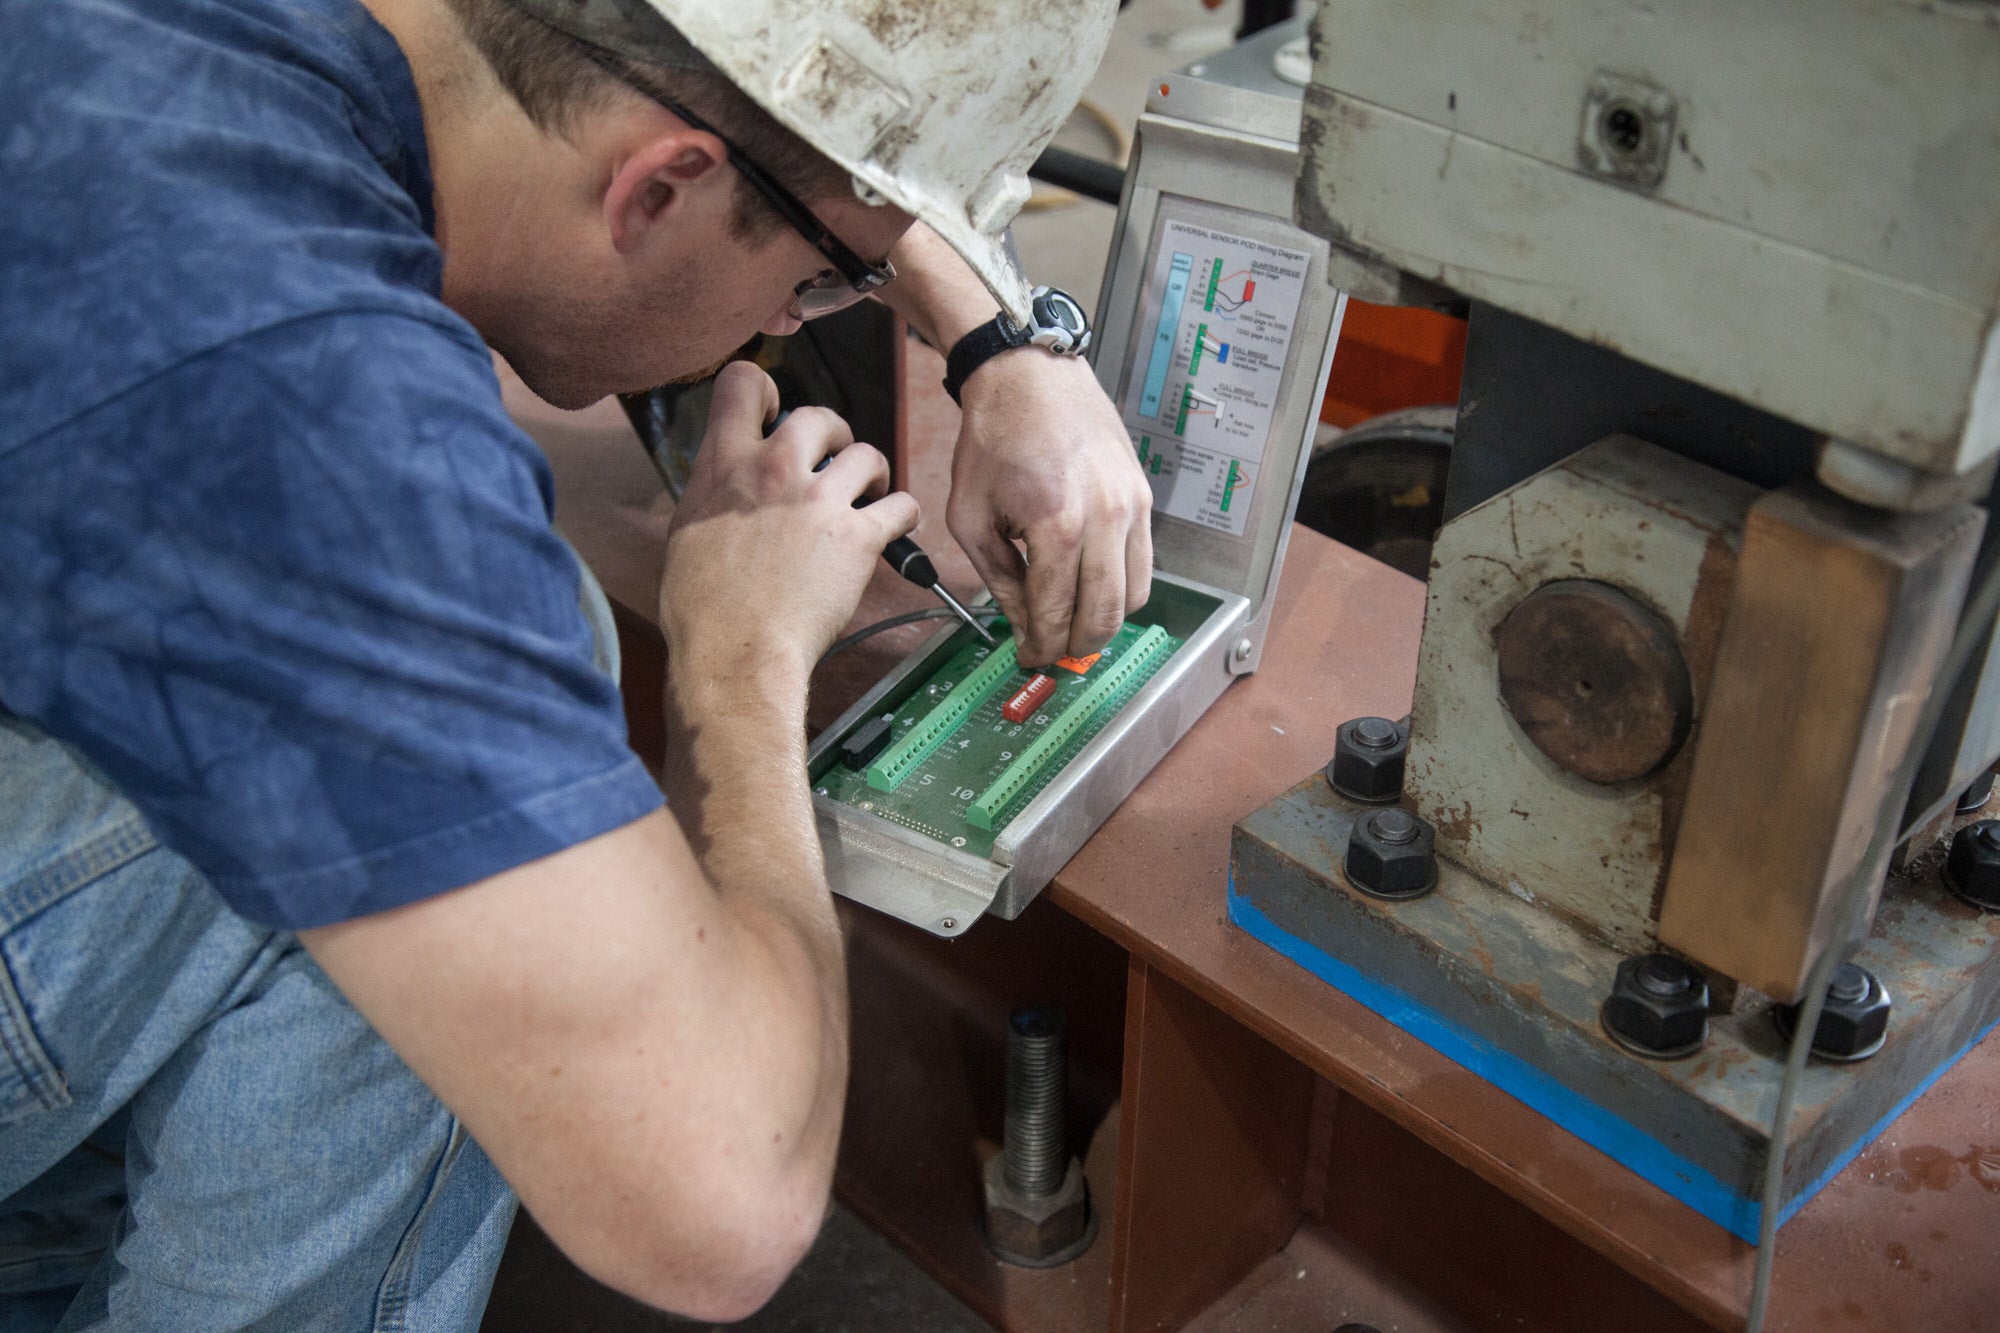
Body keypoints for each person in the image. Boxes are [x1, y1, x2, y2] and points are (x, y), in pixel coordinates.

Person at [0, 0, 1148, 1325]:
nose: (792, 319)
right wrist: (738, 656)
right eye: (821, 279)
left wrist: (1001, 341)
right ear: (656, 189)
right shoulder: (305, 396)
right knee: (457, 802)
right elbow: (724, 1197)